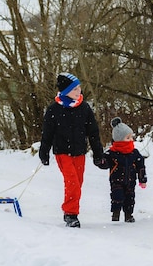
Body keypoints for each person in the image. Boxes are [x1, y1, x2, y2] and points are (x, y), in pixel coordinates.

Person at [39, 72, 104, 228]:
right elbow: (47, 133)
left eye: (79, 88)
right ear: (65, 91)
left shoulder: (84, 108)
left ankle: (71, 209)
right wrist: (44, 152)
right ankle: (70, 214)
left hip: (79, 152)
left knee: (78, 183)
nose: (78, 91)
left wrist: (98, 153)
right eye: (75, 89)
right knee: (72, 182)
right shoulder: (54, 110)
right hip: (62, 152)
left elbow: (93, 133)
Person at [96, 117, 147, 223]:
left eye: (131, 137)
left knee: (130, 198)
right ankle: (116, 214)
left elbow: (140, 166)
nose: (131, 140)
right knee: (117, 197)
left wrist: (142, 179)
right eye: (128, 138)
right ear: (119, 139)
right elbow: (105, 163)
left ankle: (129, 215)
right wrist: (100, 161)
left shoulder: (134, 153)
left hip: (130, 180)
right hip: (116, 181)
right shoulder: (112, 153)